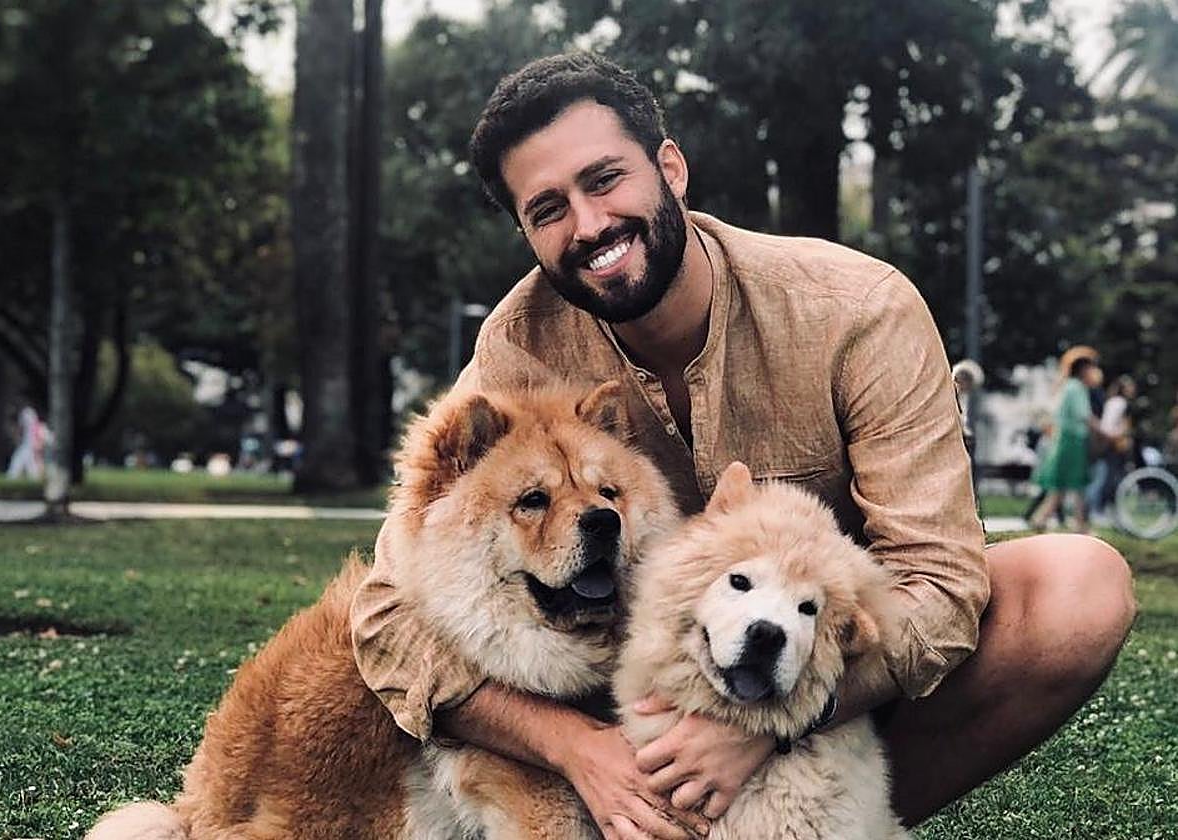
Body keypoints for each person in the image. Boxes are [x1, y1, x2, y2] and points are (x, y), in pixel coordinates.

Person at [351, 53, 1135, 839]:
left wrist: (762, 723)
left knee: (1078, 588)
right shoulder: (515, 352)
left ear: (671, 168)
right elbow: (384, 614)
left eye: (604, 179)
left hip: (831, 679)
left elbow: (939, 575)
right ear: (525, 230)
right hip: (625, 712)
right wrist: (574, 749)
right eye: (547, 208)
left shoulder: (857, 310)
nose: (588, 225)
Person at [1030, 357, 1105, 533]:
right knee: (1074, 484)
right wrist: (1104, 431)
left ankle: (1041, 520)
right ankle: (1078, 525)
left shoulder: (1072, 386)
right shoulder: (1075, 387)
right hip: (1072, 440)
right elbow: (1084, 416)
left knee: (1064, 485)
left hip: (1068, 439)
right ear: (1083, 370)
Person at [1086, 375, 1137, 524]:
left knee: (1108, 478)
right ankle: (1098, 510)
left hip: (1111, 444)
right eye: (1130, 386)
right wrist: (1121, 434)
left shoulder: (1114, 401)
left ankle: (1102, 510)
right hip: (1113, 445)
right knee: (1109, 479)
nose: (1133, 389)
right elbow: (1108, 425)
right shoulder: (1119, 403)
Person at [5, 405, 45, 480]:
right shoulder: (28, 413)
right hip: (28, 445)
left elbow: (29, 428)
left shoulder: (26, 413)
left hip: (29, 445)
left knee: (21, 464)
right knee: (28, 467)